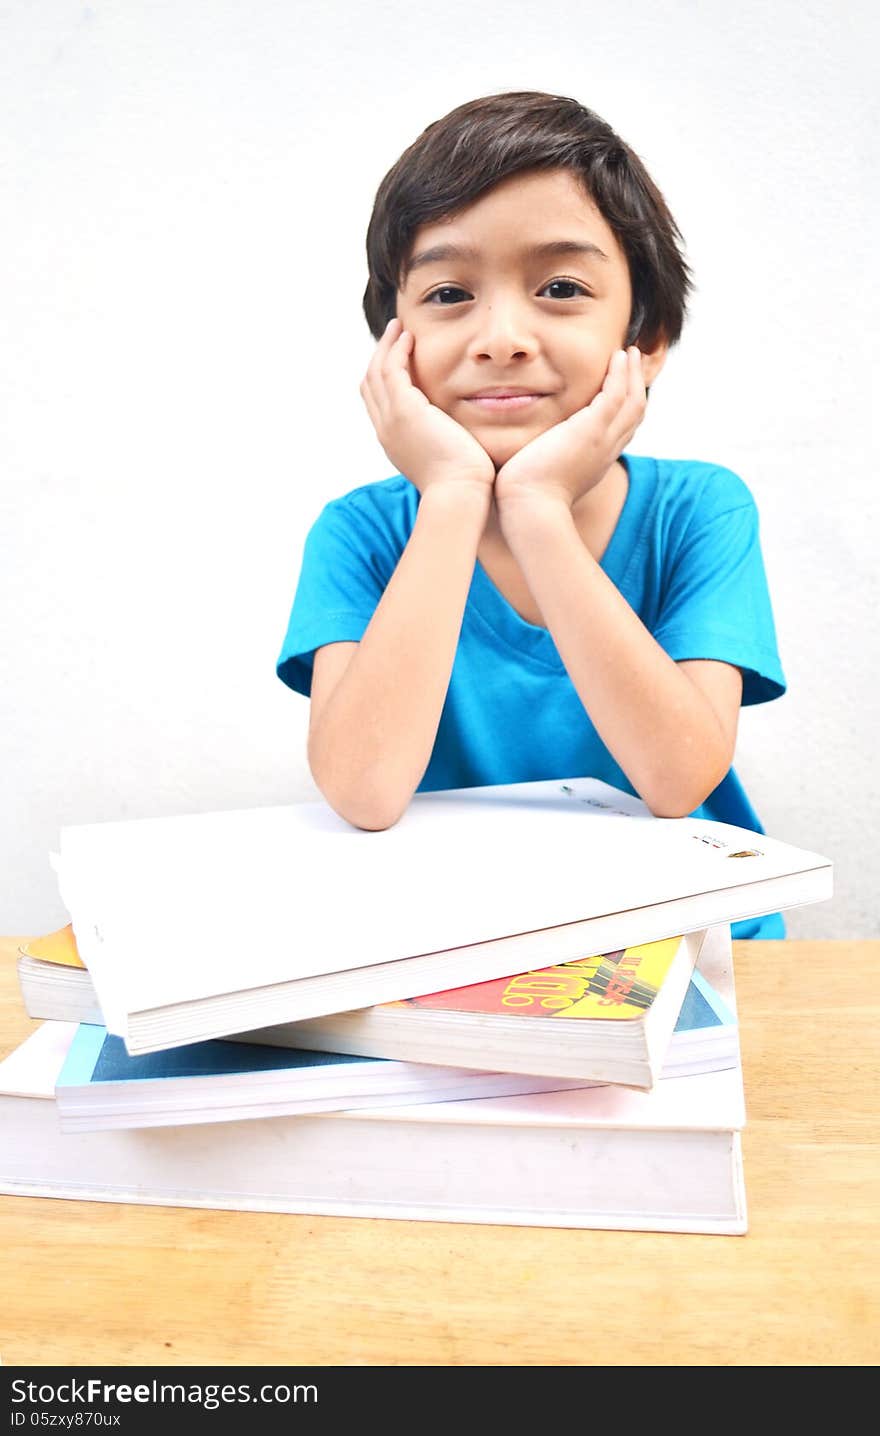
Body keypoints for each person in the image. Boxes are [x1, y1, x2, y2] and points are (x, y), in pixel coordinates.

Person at [276, 91, 787, 938]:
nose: (502, 336)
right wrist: (450, 497)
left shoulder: (700, 510)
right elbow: (363, 793)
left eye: (558, 287)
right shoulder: (360, 534)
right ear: (391, 343)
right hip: (456, 941)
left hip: (685, 941)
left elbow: (676, 778)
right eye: (448, 293)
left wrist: (538, 509)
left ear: (647, 336)